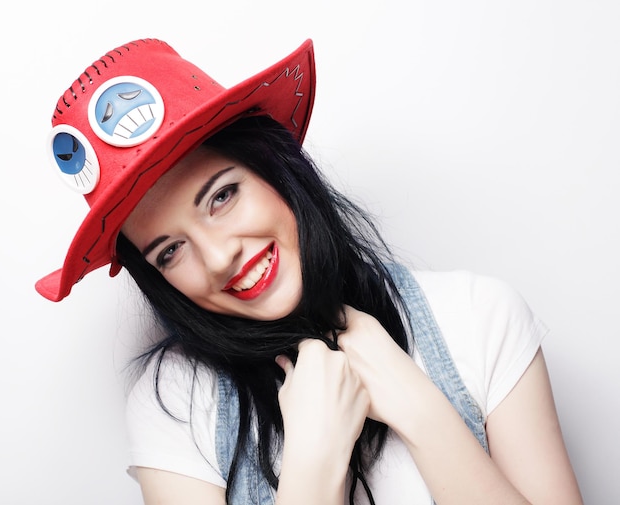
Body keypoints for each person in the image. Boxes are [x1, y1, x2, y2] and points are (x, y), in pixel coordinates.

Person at [36, 38, 583, 505]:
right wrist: (312, 469)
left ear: (278, 170)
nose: (220, 256)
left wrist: (421, 410)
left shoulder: (477, 317)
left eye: (223, 196)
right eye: (170, 251)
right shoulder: (178, 401)